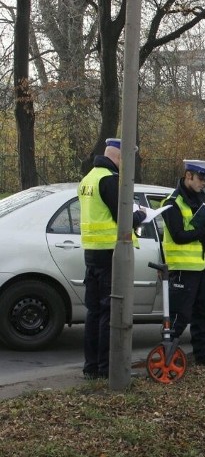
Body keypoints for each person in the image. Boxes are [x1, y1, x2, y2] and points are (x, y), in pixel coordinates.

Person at [78, 138, 147, 380]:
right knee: (110, 312)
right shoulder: (109, 179)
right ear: (119, 157)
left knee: (94, 312)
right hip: (110, 254)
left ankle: (92, 368)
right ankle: (108, 368)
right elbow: (124, 217)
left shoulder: (88, 179)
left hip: (92, 253)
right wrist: (141, 215)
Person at [161, 160, 205, 365]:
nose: (203, 184)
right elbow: (179, 236)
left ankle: (203, 355)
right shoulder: (172, 203)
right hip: (183, 268)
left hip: (202, 265)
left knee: (204, 313)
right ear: (188, 175)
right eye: (200, 179)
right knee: (179, 317)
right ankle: (167, 358)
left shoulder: (201, 198)